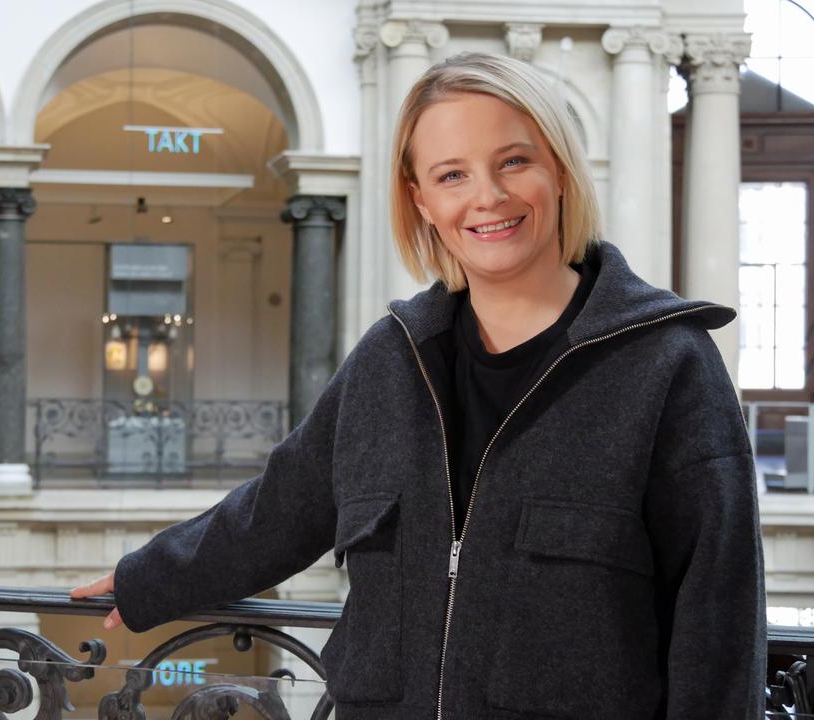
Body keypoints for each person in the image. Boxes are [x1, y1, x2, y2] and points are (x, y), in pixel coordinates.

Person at [73, 51, 766, 719]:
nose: (487, 197)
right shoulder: (392, 358)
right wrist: (150, 579)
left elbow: (718, 619)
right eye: (452, 175)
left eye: (513, 161)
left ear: (558, 169)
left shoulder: (668, 363)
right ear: (422, 200)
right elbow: (282, 508)